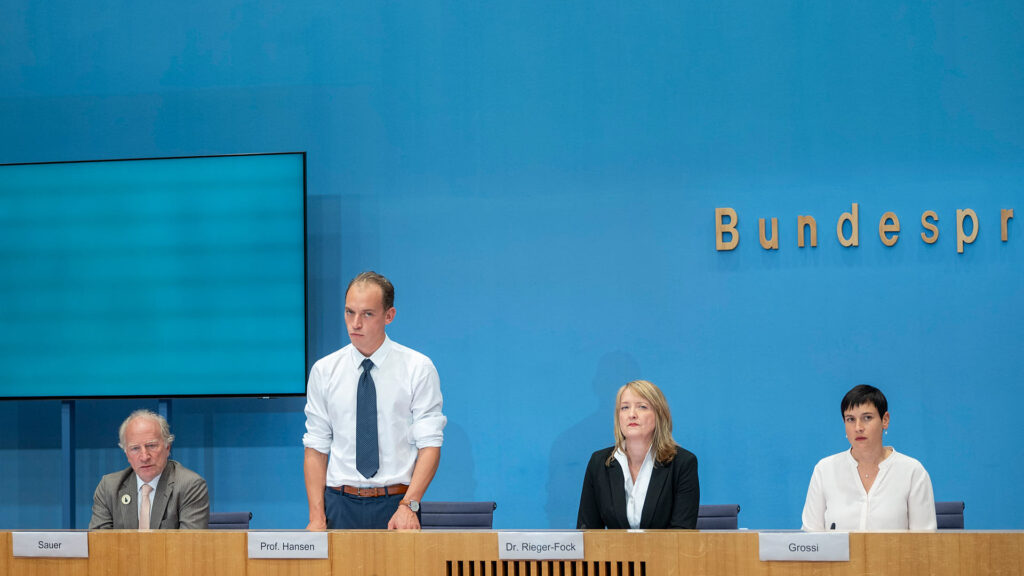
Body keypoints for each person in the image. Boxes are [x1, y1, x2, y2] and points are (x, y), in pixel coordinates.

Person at [303, 271, 446, 530]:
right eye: (349, 312)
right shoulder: (324, 371)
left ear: (389, 316)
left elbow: (430, 445)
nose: (355, 323)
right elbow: (316, 447)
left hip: (397, 504)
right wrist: (316, 517)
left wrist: (409, 505)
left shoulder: (418, 368)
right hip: (339, 504)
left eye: (367, 314)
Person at [802, 384, 936, 531]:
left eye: (867, 418)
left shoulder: (912, 472)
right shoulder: (825, 470)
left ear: (885, 420)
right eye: (850, 419)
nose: (858, 427)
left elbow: (925, 543)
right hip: (839, 555)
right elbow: (810, 541)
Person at [577, 380, 700, 529]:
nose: (632, 414)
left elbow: (682, 534)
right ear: (618, 417)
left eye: (642, 407)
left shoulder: (683, 463)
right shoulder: (599, 463)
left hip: (666, 552)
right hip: (613, 552)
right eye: (625, 407)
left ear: (659, 414)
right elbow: (587, 531)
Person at [89, 409, 209, 529]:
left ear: (167, 448)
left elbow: (190, 544)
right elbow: (98, 542)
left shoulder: (190, 485)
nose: (144, 457)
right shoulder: (109, 487)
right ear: (126, 454)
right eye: (135, 448)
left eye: (151, 446)